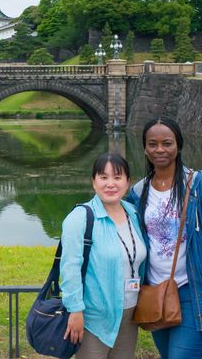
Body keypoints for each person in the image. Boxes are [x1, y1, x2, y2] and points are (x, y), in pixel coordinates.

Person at [126, 116, 202, 359]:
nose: (160, 150)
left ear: (178, 145)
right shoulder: (138, 192)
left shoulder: (200, 187)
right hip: (155, 293)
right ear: (145, 148)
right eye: (152, 144)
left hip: (192, 293)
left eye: (167, 143)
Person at [60, 152, 147, 359]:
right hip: (94, 317)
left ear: (128, 182)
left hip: (130, 313)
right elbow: (70, 268)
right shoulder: (80, 218)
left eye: (117, 178)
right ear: (93, 181)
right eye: (103, 177)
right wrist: (75, 311)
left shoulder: (133, 213)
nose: (110, 184)